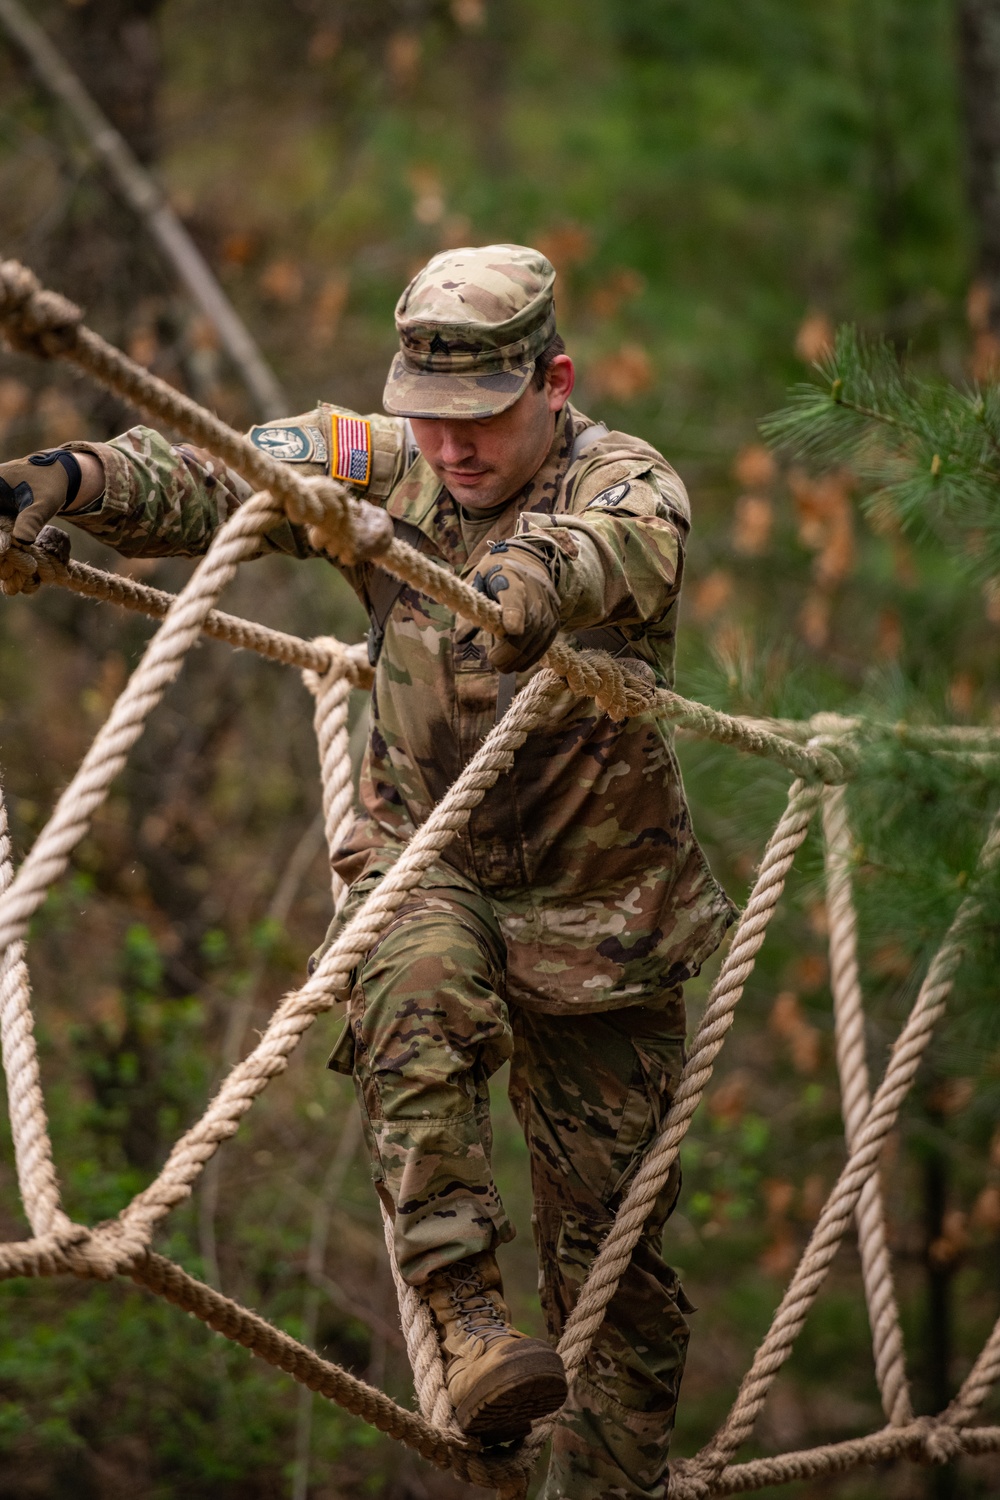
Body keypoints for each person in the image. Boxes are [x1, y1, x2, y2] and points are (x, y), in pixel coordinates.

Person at [0, 244, 735, 1499]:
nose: (449, 448)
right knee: (413, 986)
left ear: (553, 382)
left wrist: (515, 575)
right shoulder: (375, 460)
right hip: (428, 854)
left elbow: (624, 547)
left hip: (605, 920)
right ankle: (462, 1322)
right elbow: (212, 472)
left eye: (482, 419)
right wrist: (63, 481)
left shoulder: (624, 480)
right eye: (427, 417)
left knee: (614, 1253)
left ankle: (612, 1482)